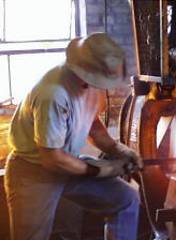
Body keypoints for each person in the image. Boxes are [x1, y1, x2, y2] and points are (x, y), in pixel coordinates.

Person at [4, 32, 143, 240]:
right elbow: (53, 159)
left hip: (68, 164)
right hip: (33, 172)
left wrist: (118, 149)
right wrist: (102, 169)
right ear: (86, 71)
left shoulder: (92, 87)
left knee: (126, 199)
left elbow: (93, 126)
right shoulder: (53, 94)